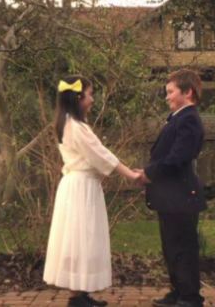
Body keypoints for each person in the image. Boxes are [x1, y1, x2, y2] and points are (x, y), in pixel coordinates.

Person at [44, 75, 142, 307]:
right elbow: (101, 154)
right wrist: (131, 174)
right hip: (80, 188)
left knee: (80, 239)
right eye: (89, 94)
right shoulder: (75, 127)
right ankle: (75, 298)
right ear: (77, 97)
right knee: (80, 238)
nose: (93, 99)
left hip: (79, 186)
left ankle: (79, 293)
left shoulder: (71, 123)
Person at [135, 69, 207, 307]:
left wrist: (149, 174)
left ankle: (190, 297)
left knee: (183, 247)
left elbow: (179, 157)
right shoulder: (178, 117)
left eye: (170, 92)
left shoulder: (188, 119)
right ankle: (178, 291)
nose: (167, 97)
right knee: (172, 247)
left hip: (181, 196)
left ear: (187, 92)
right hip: (171, 197)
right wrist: (148, 172)